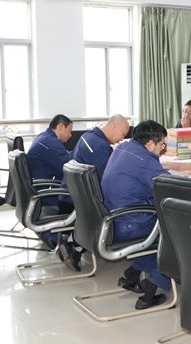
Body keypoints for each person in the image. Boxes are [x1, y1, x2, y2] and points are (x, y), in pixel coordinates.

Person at [101, 120, 172, 310]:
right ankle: (152, 285)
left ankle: (132, 274)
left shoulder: (122, 147)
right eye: (162, 144)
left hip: (113, 219)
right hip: (130, 223)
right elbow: (170, 187)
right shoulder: (144, 161)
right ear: (149, 144)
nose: (163, 148)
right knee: (178, 233)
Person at [58, 114, 130, 271]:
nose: (121, 139)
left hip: (70, 194)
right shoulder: (100, 147)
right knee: (124, 202)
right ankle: (74, 244)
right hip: (75, 202)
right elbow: (108, 181)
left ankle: (72, 243)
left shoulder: (89, 136)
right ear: (114, 126)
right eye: (123, 134)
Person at [26, 114, 73, 247]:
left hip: (38, 188)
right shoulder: (51, 143)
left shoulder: (43, 137)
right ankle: (72, 239)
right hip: (46, 192)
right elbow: (68, 167)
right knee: (82, 197)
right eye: (69, 131)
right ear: (60, 127)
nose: (70, 135)